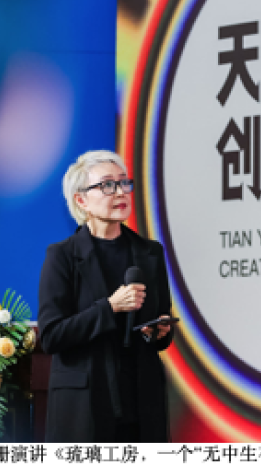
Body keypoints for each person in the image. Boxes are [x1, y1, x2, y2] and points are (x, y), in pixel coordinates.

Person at [37, 150, 174, 442]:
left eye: (124, 183)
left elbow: (161, 322)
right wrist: (110, 307)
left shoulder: (150, 253)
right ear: (81, 200)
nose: (121, 192)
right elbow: (51, 336)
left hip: (142, 400)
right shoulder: (62, 256)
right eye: (107, 185)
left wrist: (160, 331)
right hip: (85, 405)